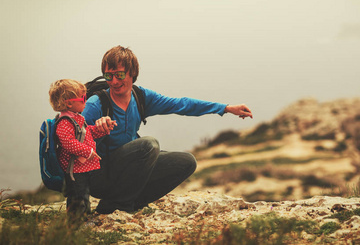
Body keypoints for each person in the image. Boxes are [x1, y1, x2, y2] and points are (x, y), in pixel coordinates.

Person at [82, 45, 253, 214]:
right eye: (108, 76)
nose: (114, 82)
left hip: (128, 171)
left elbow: (181, 104)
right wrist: (95, 132)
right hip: (100, 176)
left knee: (186, 162)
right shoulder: (96, 105)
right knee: (148, 145)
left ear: (132, 73)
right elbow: (73, 147)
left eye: (119, 75)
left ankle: (125, 203)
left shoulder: (141, 97)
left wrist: (225, 108)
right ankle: (119, 203)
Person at [48, 79, 117, 220]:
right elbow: (68, 142)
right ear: (69, 103)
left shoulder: (76, 118)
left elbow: (87, 133)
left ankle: (84, 217)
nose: (86, 101)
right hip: (74, 168)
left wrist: (101, 130)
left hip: (81, 167)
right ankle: (77, 221)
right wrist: (88, 152)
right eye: (83, 98)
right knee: (78, 195)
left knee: (84, 192)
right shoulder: (65, 122)